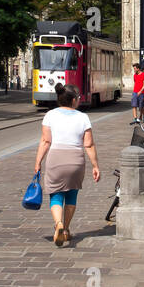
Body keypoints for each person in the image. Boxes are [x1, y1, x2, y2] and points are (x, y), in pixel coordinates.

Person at [32, 83, 100, 246]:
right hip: (76, 159)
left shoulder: (50, 115)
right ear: (75, 100)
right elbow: (89, 144)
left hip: (56, 158)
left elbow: (46, 141)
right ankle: (67, 228)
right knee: (72, 194)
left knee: (56, 194)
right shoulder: (83, 117)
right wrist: (95, 166)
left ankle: (58, 225)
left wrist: (38, 162)